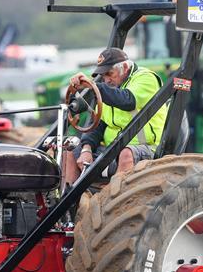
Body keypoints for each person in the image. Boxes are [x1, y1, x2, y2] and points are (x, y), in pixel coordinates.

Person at [63, 48, 168, 185]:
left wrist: (94, 86)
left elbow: (128, 101)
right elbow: (98, 125)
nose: (106, 80)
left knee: (126, 153)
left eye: (109, 74)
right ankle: (68, 198)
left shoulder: (146, 78)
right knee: (69, 150)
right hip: (111, 149)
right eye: (103, 75)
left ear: (124, 67)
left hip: (145, 147)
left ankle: (117, 201)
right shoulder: (109, 90)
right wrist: (86, 149)